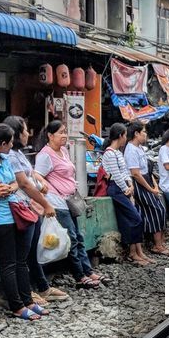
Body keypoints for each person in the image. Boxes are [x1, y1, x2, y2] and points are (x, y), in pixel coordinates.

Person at [0, 124, 45, 321]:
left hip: (13, 214)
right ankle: (16, 305)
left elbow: (15, 182)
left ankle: (28, 300)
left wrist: (10, 188)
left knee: (20, 261)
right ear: (3, 144)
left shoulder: (3, 159)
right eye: (10, 142)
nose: (12, 145)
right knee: (9, 263)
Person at [4, 115, 71, 304]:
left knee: (31, 251)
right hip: (21, 207)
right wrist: (47, 203)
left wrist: (39, 180)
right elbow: (23, 183)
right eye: (25, 130)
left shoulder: (18, 154)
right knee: (22, 256)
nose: (28, 133)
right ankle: (27, 293)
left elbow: (30, 174)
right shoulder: (10, 155)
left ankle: (41, 287)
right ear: (16, 133)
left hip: (29, 206)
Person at [33, 120, 102, 289]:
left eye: (65, 132)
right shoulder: (45, 154)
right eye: (61, 133)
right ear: (50, 135)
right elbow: (36, 174)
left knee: (78, 236)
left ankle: (87, 270)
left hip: (69, 200)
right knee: (71, 237)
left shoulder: (63, 150)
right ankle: (80, 275)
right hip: (57, 202)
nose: (64, 136)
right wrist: (44, 184)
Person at [101, 122, 151, 265]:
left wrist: (130, 185)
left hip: (123, 188)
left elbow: (125, 172)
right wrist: (126, 189)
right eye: (124, 136)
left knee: (128, 220)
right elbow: (116, 174)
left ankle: (137, 252)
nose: (125, 139)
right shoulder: (109, 154)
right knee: (136, 219)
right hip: (116, 189)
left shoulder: (118, 153)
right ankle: (133, 253)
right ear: (121, 136)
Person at [125, 124, 169, 255]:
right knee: (156, 210)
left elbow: (147, 169)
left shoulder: (139, 148)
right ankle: (157, 245)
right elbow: (135, 173)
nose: (145, 134)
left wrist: (154, 185)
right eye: (143, 132)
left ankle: (160, 243)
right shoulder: (131, 150)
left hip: (147, 180)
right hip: (139, 183)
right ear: (136, 133)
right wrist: (150, 189)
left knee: (160, 209)